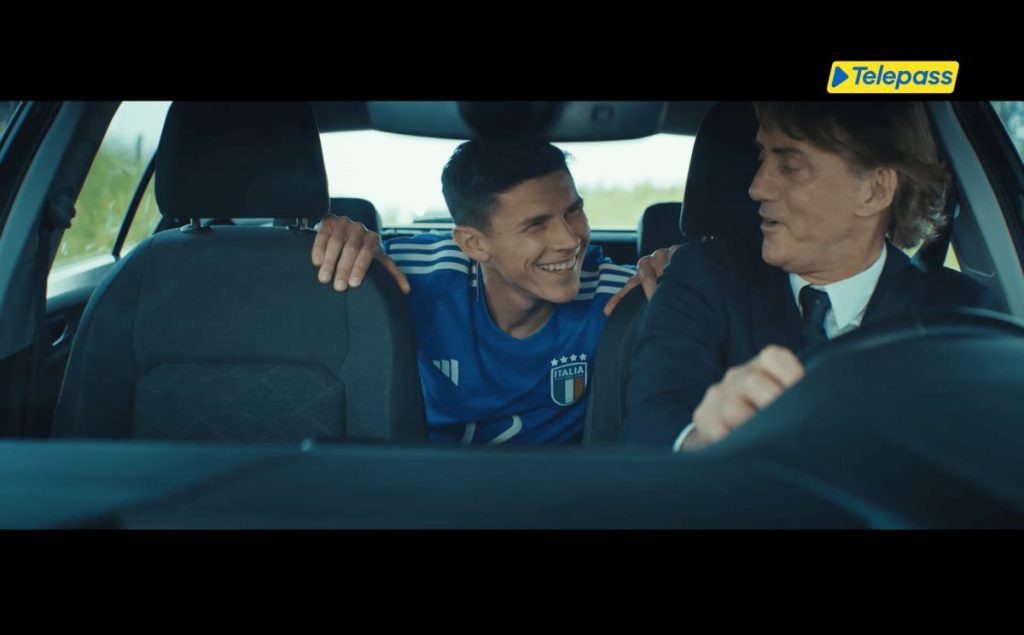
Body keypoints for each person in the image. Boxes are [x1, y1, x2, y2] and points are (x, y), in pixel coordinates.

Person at [623, 101, 998, 450]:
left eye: (789, 166)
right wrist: (704, 439)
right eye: (761, 157)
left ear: (874, 190)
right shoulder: (702, 278)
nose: (756, 187)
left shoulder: (959, 317)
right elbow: (652, 419)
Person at [312, 138, 672, 444]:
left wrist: (691, 271)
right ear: (474, 243)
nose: (569, 240)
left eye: (574, 211)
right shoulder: (403, 274)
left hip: (559, 495)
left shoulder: (622, 296)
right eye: (536, 224)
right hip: (415, 489)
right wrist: (330, 243)